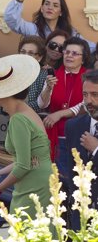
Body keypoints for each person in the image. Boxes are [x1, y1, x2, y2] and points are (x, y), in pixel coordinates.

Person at [0, 55, 52, 213]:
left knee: (26, 228)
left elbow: (23, 165)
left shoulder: (18, 120)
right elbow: (27, 160)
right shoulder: (26, 111)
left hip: (33, 182)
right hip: (40, 177)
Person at [37, 37, 89, 166]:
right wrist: (48, 88)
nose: (69, 56)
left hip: (82, 136)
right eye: (67, 52)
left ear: (83, 59)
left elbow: (87, 104)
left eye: (75, 53)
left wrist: (60, 113)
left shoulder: (90, 77)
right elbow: (42, 104)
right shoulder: (53, 75)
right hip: (57, 135)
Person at [65, 69, 98, 228]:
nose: (89, 100)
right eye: (85, 95)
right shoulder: (73, 126)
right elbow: (71, 169)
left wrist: (97, 149)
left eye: (95, 95)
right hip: (82, 216)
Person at [17, 35, 47, 112]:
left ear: (40, 57)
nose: (25, 56)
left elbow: (41, 104)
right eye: (23, 52)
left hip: (35, 121)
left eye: (30, 53)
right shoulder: (13, 73)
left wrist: (15, 108)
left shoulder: (43, 75)